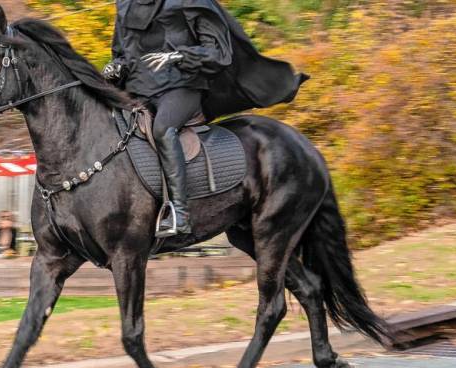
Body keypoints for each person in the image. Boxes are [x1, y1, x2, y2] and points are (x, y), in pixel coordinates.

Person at [104, 0, 308, 236]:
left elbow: (218, 53)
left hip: (182, 88)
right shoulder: (126, 7)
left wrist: (178, 56)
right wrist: (115, 68)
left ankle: (180, 213)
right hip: (139, 90)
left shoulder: (190, 3)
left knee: (163, 128)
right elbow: (121, 54)